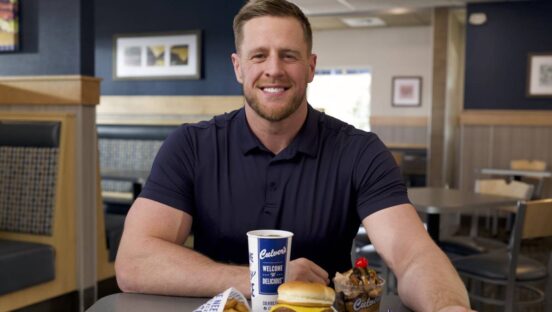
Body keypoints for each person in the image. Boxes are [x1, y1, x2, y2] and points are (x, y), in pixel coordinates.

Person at [115, 0, 472, 311]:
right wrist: (263, 279)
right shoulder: (190, 145)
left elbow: (412, 255)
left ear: (311, 66)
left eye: (289, 55)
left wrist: (450, 308)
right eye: (259, 55)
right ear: (238, 67)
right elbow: (134, 262)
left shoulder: (361, 152)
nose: (273, 69)